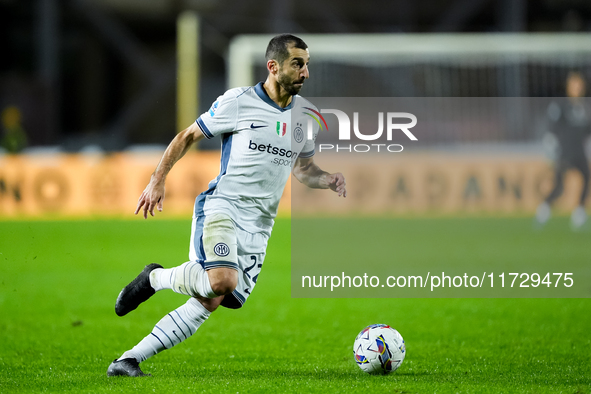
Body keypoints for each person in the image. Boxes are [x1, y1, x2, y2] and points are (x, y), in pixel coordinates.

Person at [106, 34, 347, 377]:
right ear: (273, 66)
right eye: (298, 63)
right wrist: (157, 180)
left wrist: (328, 179)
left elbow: (304, 169)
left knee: (211, 299)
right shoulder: (238, 102)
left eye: (307, 64)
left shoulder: (306, 118)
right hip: (223, 208)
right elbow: (187, 135)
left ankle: (127, 360)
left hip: (260, 226)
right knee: (221, 281)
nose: (305, 72)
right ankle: (156, 279)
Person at [535, 71, 591, 230]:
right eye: (574, 84)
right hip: (565, 151)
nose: (578, 88)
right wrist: (550, 147)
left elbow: (587, 130)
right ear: (568, 86)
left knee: (586, 177)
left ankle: (579, 213)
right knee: (559, 186)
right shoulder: (561, 105)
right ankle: (543, 210)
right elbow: (551, 128)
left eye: (580, 85)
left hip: (579, 151)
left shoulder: (584, 108)